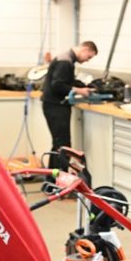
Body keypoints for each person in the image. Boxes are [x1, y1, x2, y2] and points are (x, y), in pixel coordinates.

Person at [41, 41, 97, 172]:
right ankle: (59, 182)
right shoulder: (65, 62)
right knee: (63, 146)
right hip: (56, 107)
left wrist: (84, 86)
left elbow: (67, 81)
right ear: (84, 49)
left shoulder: (66, 59)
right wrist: (80, 91)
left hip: (54, 105)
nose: (87, 61)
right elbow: (58, 85)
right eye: (89, 57)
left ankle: (53, 180)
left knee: (59, 144)